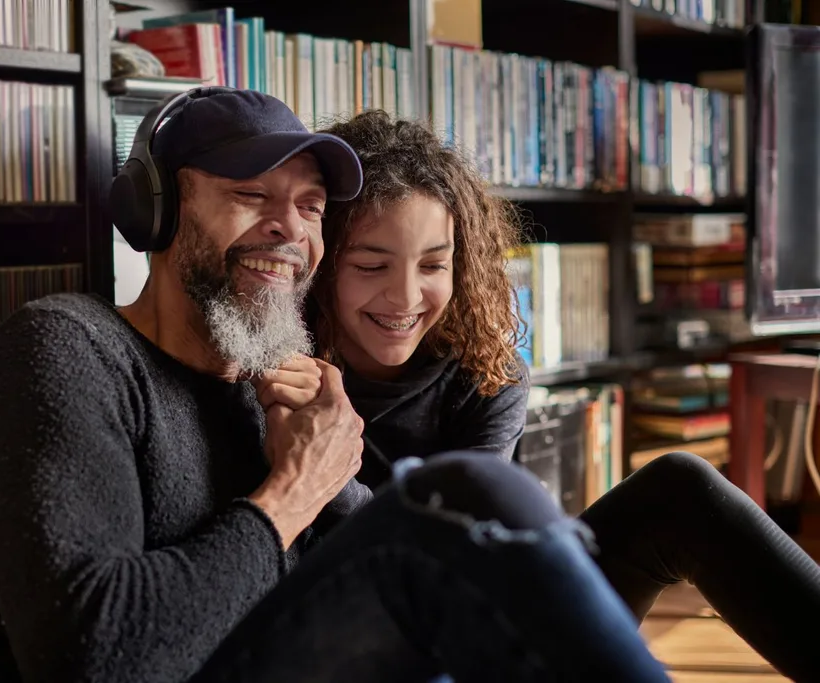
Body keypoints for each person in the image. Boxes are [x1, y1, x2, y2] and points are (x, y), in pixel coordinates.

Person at [0, 88, 674, 683]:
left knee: (659, 493)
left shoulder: (268, 390)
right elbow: (93, 659)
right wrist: (296, 490)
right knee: (466, 496)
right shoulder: (67, 347)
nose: (288, 229)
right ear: (158, 208)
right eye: (251, 194)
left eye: (310, 207)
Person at [255, 109, 820, 683]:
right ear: (321, 264)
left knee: (681, 487)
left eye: (434, 264)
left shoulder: (487, 370)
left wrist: (333, 465)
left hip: (480, 614)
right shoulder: (274, 363)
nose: (405, 297)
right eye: (371, 265)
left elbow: (462, 552)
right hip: (352, 644)